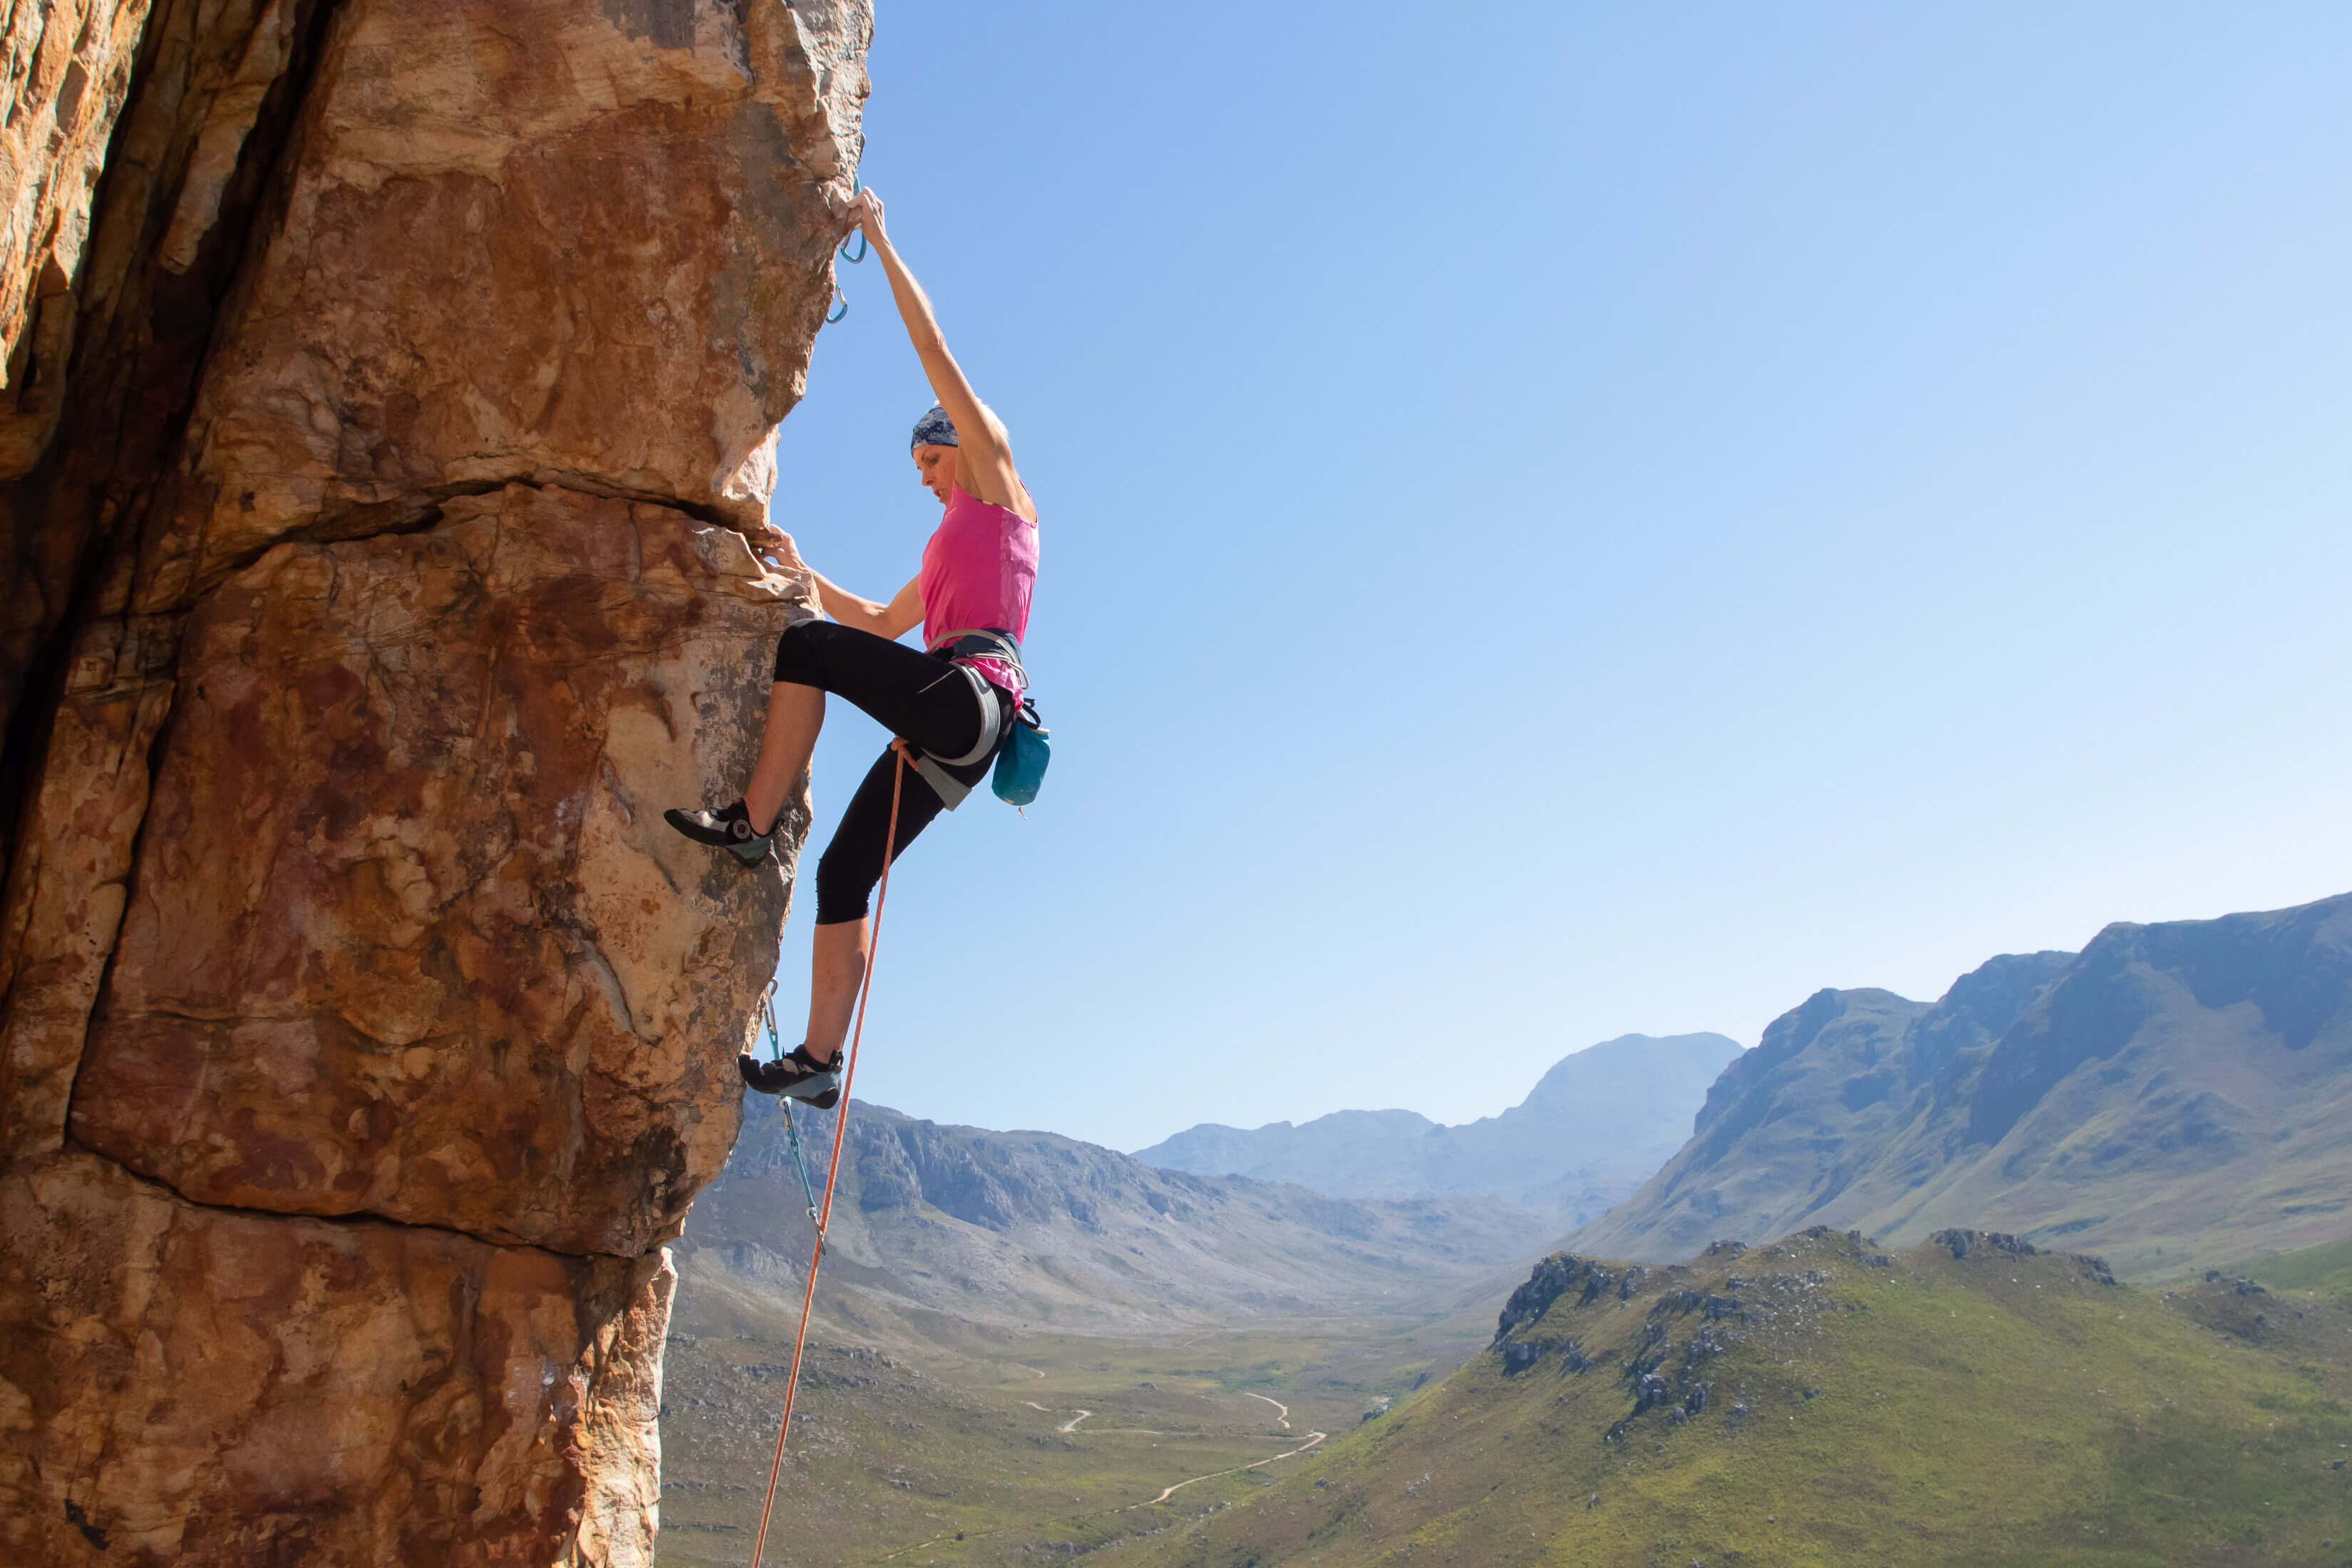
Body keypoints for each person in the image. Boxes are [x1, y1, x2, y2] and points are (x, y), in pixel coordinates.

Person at [666, 187, 1038, 1109]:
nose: (924, 477)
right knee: (843, 870)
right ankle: (821, 1062)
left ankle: (751, 821)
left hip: (971, 698)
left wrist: (877, 233)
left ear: (961, 444)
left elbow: (933, 350)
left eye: (928, 459)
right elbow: (878, 621)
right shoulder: (951, 542)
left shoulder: (995, 486)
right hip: (955, 718)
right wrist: (800, 565)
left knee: (811, 651)